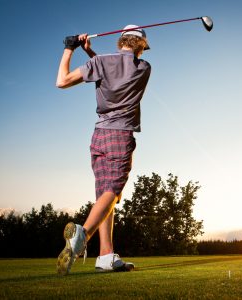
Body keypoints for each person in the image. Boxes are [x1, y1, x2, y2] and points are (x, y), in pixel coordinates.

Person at [55, 25, 151, 275]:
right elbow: (119, 72)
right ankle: (82, 235)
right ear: (141, 46)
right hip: (120, 135)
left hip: (98, 136)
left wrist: (71, 48)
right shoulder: (144, 68)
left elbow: (62, 82)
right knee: (112, 193)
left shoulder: (100, 62)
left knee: (104, 198)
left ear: (120, 41)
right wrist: (92, 54)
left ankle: (106, 256)